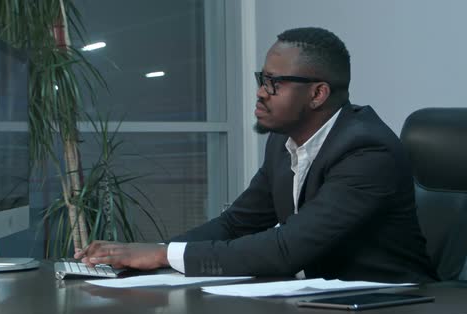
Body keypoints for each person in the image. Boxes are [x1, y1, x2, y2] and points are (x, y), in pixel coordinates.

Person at [75, 27, 438, 283]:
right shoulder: (283, 142)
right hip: (321, 304)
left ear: (318, 94)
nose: (261, 93)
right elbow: (238, 223)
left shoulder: (366, 150)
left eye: (274, 83)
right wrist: (160, 252)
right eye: (261, 79)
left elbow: (286, 249)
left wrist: (161, 256)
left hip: (391, 307)